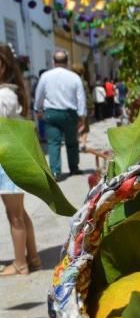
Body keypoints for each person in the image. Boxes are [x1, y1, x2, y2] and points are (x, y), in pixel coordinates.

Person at [0, 44, 40, 276]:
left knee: (14, 214)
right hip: (12, 159)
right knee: (20, 212)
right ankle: (32, 257)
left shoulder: (4, 95)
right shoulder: (8, 93)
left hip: (8, 162)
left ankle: (20, 263)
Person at [34, 50, 86, 181]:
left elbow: (39, 94)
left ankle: (56, 172)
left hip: (51, 113)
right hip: (70, 114)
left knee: (53, 143)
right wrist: (82, 116)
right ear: (67, 62)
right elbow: (81, 97)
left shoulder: (45, 76)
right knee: (72, 142)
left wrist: (38, 109)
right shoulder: (74, 77)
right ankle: (74, 168)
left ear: (53, 61)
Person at [71, 62, 92, 149]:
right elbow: (88, 96)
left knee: (75, 126)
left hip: (73, 107)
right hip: (84, 107)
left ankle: (77, 141)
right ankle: (83, 143)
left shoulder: (71, 82)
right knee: (85, 127)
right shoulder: (84, 82)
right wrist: (91, 106)